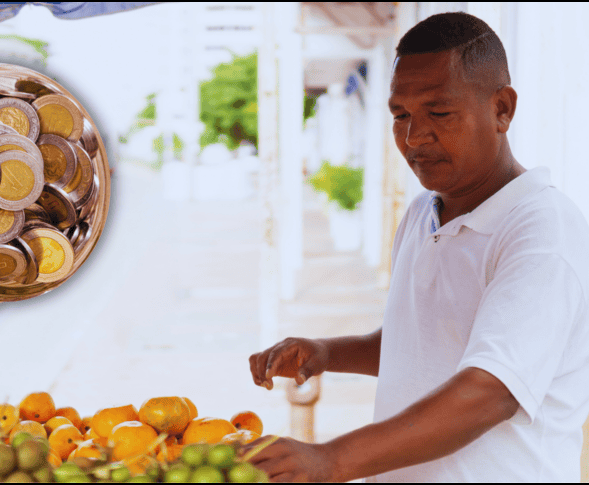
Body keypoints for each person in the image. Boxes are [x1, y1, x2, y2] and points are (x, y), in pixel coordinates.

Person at [245, 11, 589, 482]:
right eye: (400, 115)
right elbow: (420, 343)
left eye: (440, 113)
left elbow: (490, 390)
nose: (413, 138)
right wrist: (326, 352)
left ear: (502, 109)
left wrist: (331, 460)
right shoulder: (423, 212)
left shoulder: (543, 232)